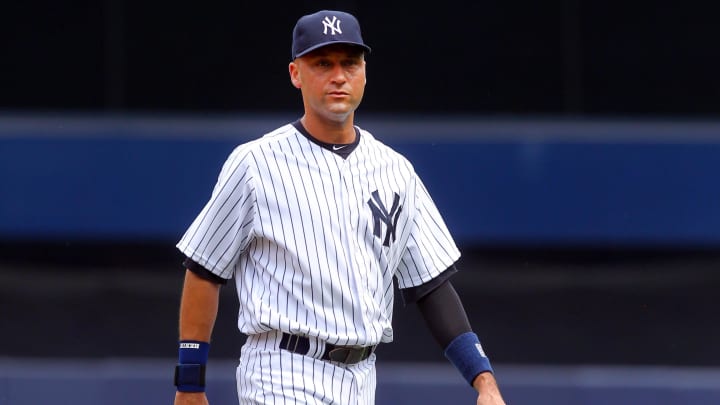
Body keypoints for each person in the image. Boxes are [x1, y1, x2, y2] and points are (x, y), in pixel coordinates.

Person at [173, 9, 506, 405]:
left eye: (350, 62)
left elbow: (432, 286)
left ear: (365, 71)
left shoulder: (396, 171)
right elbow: (204, 269)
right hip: (282, 370)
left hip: (362, 377)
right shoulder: (255, 164)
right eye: (322, 63)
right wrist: (190, 384)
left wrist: (483, 380)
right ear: (296, 73)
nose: (338, 75)